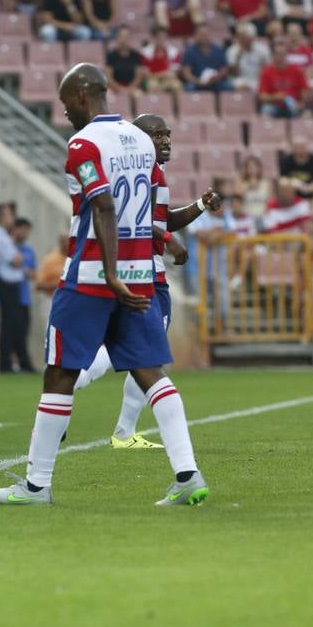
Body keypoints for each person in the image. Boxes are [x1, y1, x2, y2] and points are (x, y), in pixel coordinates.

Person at [0, 66, 208, 507]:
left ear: (85, 94)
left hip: (91, 276)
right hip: (139, 275)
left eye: (66, 99)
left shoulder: (83, 144)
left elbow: (103, 204)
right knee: (150, 372)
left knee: (60, 372)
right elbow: (146, 211)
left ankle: (36, 485)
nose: (64, 109)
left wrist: (107, 270)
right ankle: (188, 474)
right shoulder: (142, 142)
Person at [71, 114, 222, 450]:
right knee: (141, 351)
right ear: (139, 140)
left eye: (168, 134)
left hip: (141, 268)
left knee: (142, 352)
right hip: (143, 270)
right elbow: (132, 217)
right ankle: (77, 379)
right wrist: (169, 238)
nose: (166, 140)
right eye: (158, 135)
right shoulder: (140, 169)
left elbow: (160, 217)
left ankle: (122, 430)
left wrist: (198, 206)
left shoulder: (155, 171)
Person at [0, 203, 29, 374]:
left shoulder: (2, 235)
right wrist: (20, 258)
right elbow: (16, 260)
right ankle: (7, 365)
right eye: (9, 215)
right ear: (2, 217)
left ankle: (18, 363)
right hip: (5, 283)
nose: (12, 218)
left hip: (8, 283)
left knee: (13, 324)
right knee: (10, 325)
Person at [257, 40, 311, 118]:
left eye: (282, 54)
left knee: (306, 114)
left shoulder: (296, 70)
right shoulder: (266, 72)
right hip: (274, 105)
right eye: (278, 54)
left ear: (286, 55)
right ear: (273, 56)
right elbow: (262, 96)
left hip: (293, 105)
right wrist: (275, 97)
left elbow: (305, 92)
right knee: (266, 111)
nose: (280, 57)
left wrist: (300, 104)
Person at [180, 26, 232, 91]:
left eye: (206, 35)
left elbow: (224, 69)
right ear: (195, 36)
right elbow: (186, 73)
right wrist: (199, 82)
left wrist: (216, 78)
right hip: (197, 83)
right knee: (189, 88)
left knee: (229, 86)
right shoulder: (189, 52)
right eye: (201, 35)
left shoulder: (218, 50)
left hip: (216, 81)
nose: (204, 37)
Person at [226, 21, 271, 91]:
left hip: (258, 79)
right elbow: (233, 74)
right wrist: (238, 58)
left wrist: (263, 68)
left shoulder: (263, 49)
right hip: (240, 80)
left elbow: (269, 71)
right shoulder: (232, 50)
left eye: (247, 37)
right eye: (242, 37)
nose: (245, 40)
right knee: (239, 85)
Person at [140, 26, 182, 92]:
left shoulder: (174, 52)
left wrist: (160, 76)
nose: (162, 39)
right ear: (153, 38)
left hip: (168, 81)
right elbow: (146, 76)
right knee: (153, 85)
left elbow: (174, 74)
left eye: (164, 37)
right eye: (159, 37)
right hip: (152, 81)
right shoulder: (145, 52)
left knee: (176, 85)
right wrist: (165, 74)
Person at [104, 27, 145, 93]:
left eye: (126, 36)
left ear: (130, 39)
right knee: (108, 96)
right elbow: (108, 76)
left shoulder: (136, 55)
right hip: (114, 88)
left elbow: (138, 76)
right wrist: (118, 88)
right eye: (121, 36)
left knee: (139, 95)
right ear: (117, 38)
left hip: (132, 88)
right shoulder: (111, 55)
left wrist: (130, 88)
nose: (124, 39)